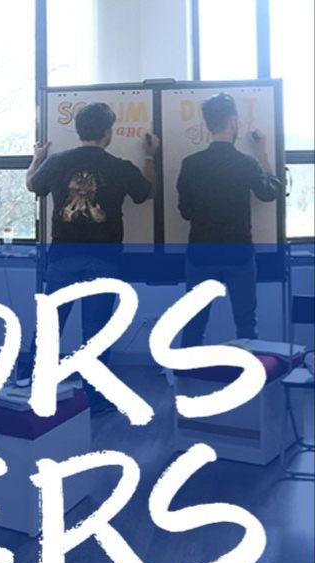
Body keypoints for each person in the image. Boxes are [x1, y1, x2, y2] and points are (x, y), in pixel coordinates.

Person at [25, 102, 159, 415]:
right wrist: (150, 156)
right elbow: (148, 193)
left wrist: (37, 158)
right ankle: (95, 399)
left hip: (63, 257)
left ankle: (31, 386)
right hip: (105, 259)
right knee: (96, 333)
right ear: (107, 133)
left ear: (79, 130)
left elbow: (32, 185)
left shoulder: (57, 161)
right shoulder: (120, 166)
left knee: (50, 326)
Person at [176, 92, 284, 346]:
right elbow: (270, 193)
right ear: (233, 122)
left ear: (208, 124)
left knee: (194, 321)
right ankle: (247, 368)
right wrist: (262, 153)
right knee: (245, 322)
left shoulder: (190, 164)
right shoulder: (246, 163)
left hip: (201, 254)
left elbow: (185, 211)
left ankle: (188, 368)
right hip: (239, 254)